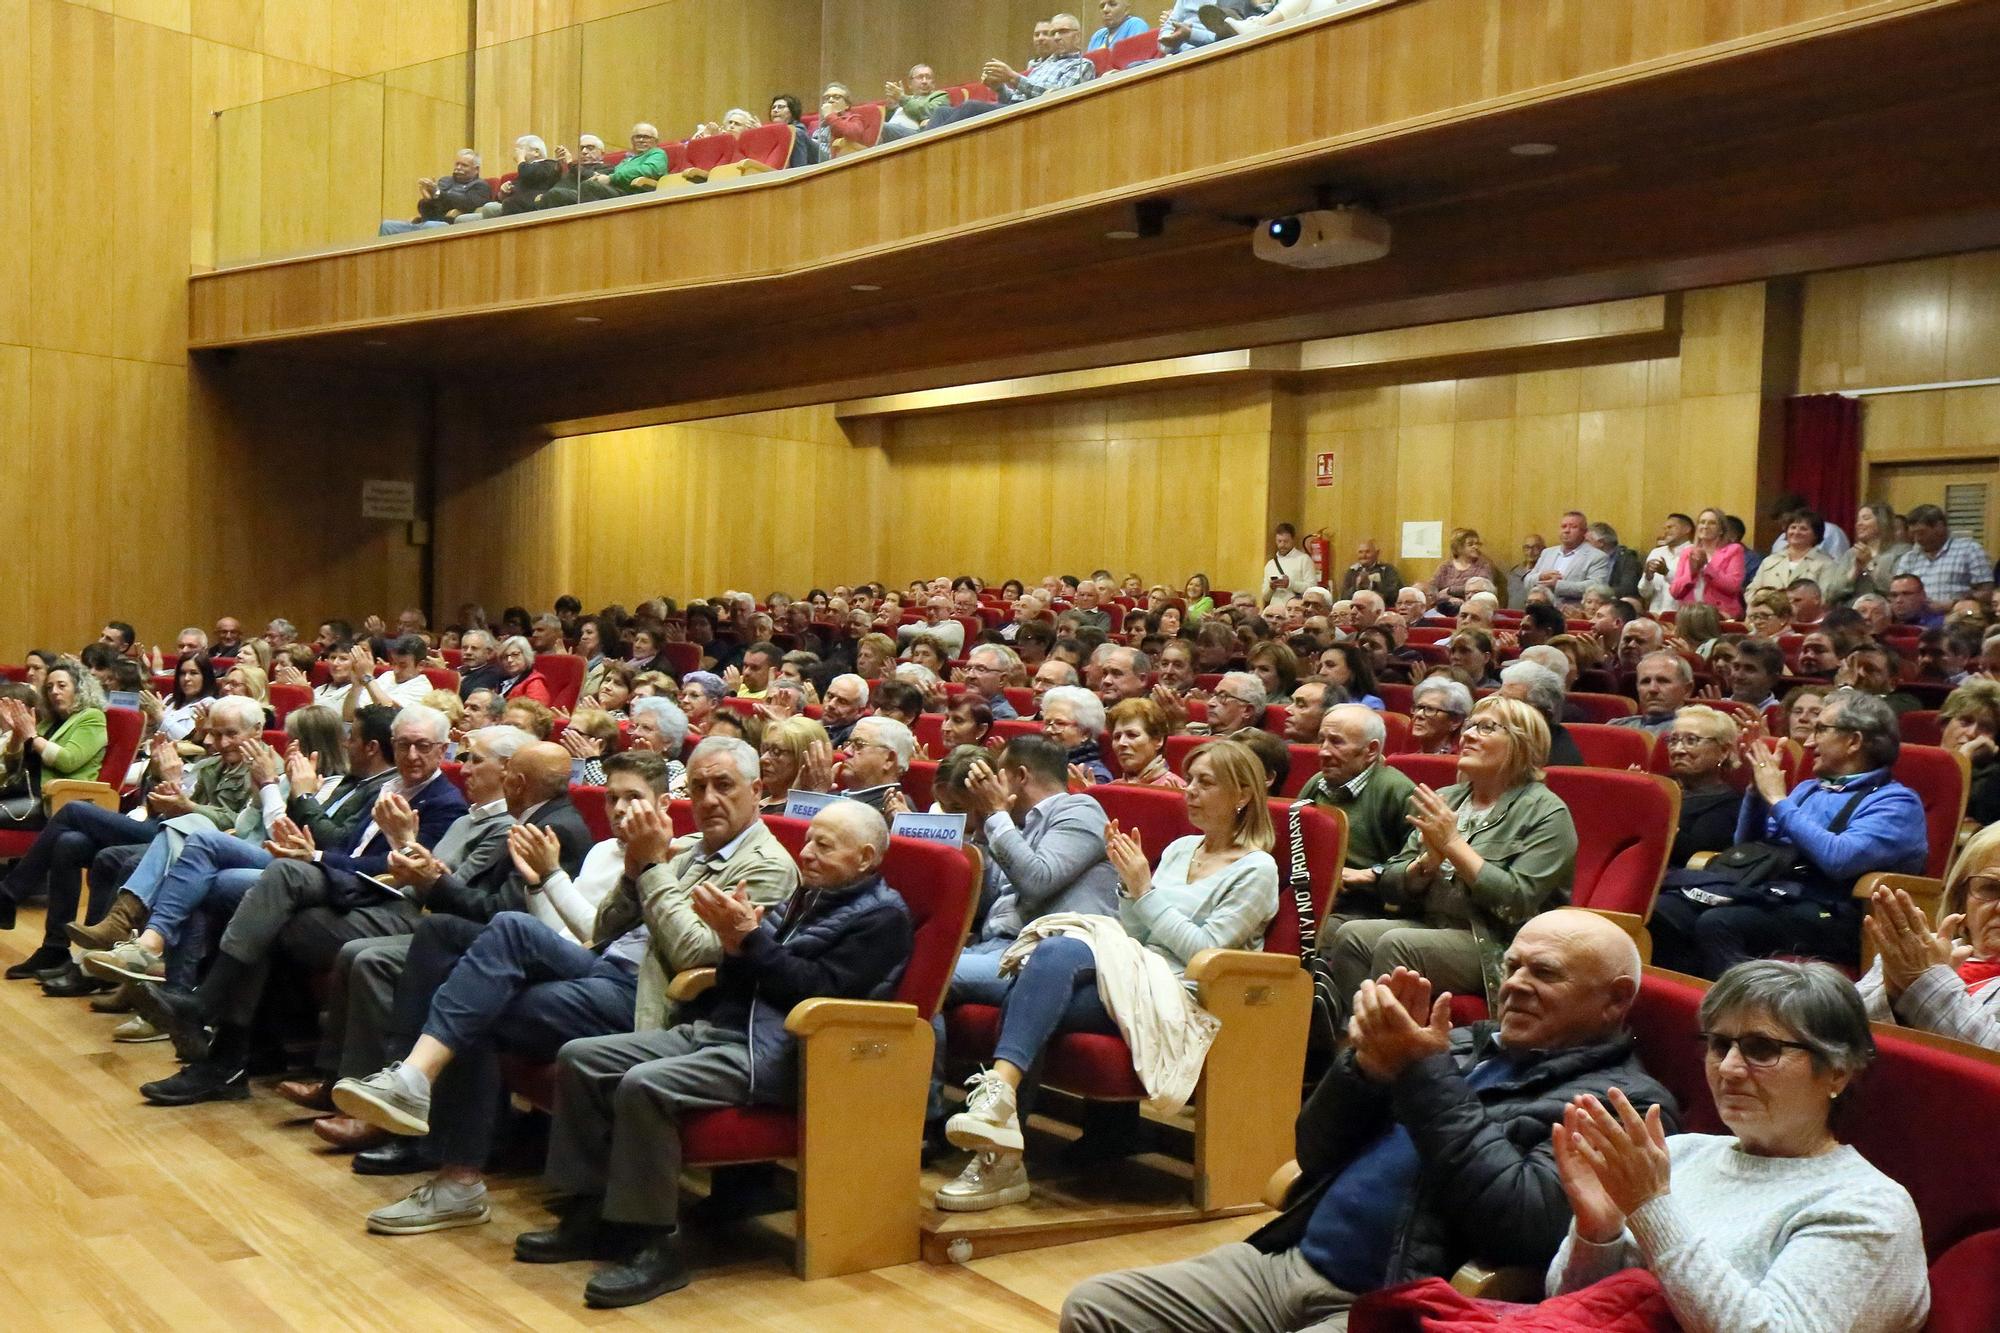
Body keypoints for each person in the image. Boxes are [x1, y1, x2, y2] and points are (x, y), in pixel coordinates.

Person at [1063, 909, 1677, 1333]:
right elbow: (1314, 1150)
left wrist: (1422, 1071)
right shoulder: (1461, 1044)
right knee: (1099, 1309)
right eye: (1512, 966)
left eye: (1544, 973)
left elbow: (1523, 1227)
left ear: (1615, 999)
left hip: (1396, 1302)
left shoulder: (1624, 1105)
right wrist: (1365, 1070)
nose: (1514, 985)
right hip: (1287, 1262)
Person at [522, 799, 905, 1307]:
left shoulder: (883, 917)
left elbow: (813, 992)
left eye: (823, 846)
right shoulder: (811, 895)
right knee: (581, 1057)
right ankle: (591, 1212)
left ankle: (655, 1245)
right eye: (808, 840)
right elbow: (747, 977)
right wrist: (733, 945)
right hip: (725, 1030)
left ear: (865, 858)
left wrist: (751, 941)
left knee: (646, 1085)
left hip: (789, 1051)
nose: (806, 853)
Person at [941, 740, 1278, 1211]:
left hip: (1183, 994)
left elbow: (1206, 952)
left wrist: (1143, 888)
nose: (1191, 792)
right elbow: (1135, 928)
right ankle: (1000, 1134)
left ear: (1243, 795)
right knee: (1046, 964)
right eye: (1191, 780)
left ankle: (998, 1146)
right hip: (1135, 973)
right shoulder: (1182, 850)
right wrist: (1128, 888)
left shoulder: (1257, 868)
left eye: (1206, 783)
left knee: (1039, 981)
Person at [1548, 959, 1928, 1333]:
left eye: (1762, 1049)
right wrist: (1598, 1233)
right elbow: (1564, 1306)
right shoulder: (1679, 1153)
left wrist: (1651, 1208)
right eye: (1719, 1044)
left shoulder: (1869, 1207)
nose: (1728, 1068)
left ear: (1837, 1072)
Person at [130, 704, 472, 1104]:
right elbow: (345, 843)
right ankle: (226, 1057)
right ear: (392, 746)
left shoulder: (446, 803)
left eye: (423, 746)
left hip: (387, 906)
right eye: (405, 745)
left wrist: (318, 858)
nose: (413, 756)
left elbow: (400, 870)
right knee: (256, 901)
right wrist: (311, 849)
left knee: (278, 883)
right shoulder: (387, 786)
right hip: (347, 890)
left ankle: (208, 1016)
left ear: (443, 749)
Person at [1321, 696, 1578, 1022]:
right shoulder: (1447, 799)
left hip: (1497, 943)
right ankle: (1352, 1043)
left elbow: (1519, 902)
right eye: (1469, 726)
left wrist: (1454, 844)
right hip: (1431, 923)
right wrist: (1426, 862)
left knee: (1397, 944)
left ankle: (1388, 1054)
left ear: (1522, 744)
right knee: (1351, 935)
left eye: (1486, 728)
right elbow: (1392, 882)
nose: (1468, 735)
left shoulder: (1546, 811)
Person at [1651, 688, 1926, 977]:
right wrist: (1757, 792)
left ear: (1854, 741)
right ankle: (1685, 1000)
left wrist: (1779, 800)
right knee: (1666, 911)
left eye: (1821, 730)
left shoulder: (1896, 802)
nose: (1808, 742)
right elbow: (1750, 848)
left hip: (1834, 913)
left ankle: (1745, 1012)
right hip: (1776, 894)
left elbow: (1839, 859)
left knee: (1719, 922)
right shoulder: (1809, 789)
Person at [1860, 823, 2000, 1048]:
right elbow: (1836, 1030)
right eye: (1990, 888)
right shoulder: (1913, 949)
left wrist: (1922, 981)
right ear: (1961, 896)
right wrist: (1893, 992)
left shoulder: (1916, 963)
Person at [1296, 705, 1419, 921]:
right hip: (1309, 898)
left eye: (1336, 742)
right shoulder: (1315, 784)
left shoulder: (1397, 790)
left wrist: (1373, 874)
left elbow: (1419, 861)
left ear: (1370, 750)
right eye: (1321, 740)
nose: (1323, 751)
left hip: (1365, 909)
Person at [0, 657, 109, 832]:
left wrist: (32, 736)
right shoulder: (49, 722)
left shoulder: (92, 717)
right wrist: (17, 736)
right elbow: (13, 765)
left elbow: (67, 761)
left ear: (79, 688)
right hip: (23, 791)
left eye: (62, 686)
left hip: (55, 799)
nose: (54, 692)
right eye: (49, 687)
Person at [1661, 705, 1745, 869]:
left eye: (1691, 740)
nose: (1678, 750)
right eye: (1673, 740)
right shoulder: (1659, 786)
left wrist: (1653, 814)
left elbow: (1694, 856)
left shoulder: (1729, 804)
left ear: (1723, 751)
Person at [380, 149, 492, 234]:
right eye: (457, 164)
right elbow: (427, 211)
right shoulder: (445, 181)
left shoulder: (480, 186)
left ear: (476, 169)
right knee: (387, 226)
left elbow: (465, 203)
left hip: (448, 227)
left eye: (464, 165)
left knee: (431, 226)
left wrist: (437, 193)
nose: (458, 168)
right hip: (425, 222)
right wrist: (427, 199)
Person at [1936, 679, 2000, 824]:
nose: (1972, 733)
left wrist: (1962, 761)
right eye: (1965, 721)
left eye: (1986, 727)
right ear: (1944, 723)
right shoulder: (1913, 761)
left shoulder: (1992, 782)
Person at [1498, 660, 1583, 768]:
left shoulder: (1558, 759)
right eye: (1500, 698)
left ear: (1543, 714)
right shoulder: (1498, 733)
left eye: (1513, 704)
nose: (1499, 708)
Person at [1669, 506, 1746, 618]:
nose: (1705, 526)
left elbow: (1733, 586)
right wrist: (1692, 573)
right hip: (1690, 615)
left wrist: (1707, 567)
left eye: (1712, 523)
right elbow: (1675, 592)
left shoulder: (1734, 550)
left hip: (1721, 614)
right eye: (1702, 522)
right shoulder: (1688, 552)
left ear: (1721, 530)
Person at [1749, 510, 1838, 597]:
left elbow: (1827, 597)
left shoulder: (1826, 564)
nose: (1796, 532)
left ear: (1816, 535)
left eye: (1803, 529)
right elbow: (1751, 592)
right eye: (1793, 527)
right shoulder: (1769, 561)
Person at [1529, 511, 1612, 603]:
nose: (1566, 530)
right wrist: (1540, 577)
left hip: (1572, 611)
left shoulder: (1597, 556)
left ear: (1584, 532)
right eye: (1563, 526)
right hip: (1540, 609)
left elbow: (1596, 586)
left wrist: (1558, 585)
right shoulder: (1547, 553)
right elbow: (1527, 580)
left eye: (1573, 527)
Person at [836, 715, 915, 809]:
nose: (846, 751)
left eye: (859, 745)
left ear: (889, 759)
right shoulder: (833, 795)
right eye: (848, 744)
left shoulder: (897, 813)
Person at [1103, 697, 1184, 788]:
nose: (1121, 743)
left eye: (1132, 735)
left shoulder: (1177, 789)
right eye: (1117, 737)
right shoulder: (1111, 788)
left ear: (1158, 740)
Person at [1041, 685, 1112, 784]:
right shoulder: (1036, 762)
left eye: (1060, 723)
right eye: (1047, 722)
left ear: (1085, 733)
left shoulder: (1095, 776)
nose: (1048, 730)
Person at [578, 124, 666, 201]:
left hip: (638, 194)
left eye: (646, 137)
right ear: (632, 141)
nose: (641, 140)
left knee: (589, 187)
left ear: (656, 141)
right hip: (620, 192)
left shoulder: (657, 153)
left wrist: (610, 178)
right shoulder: (626, 160)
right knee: (588, 185)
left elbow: (649, 170)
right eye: (638, 137)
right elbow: (614, 175)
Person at [1636, 513, 1694, 614]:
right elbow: (1644, 593)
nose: (1666, 531)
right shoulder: (1656, 552)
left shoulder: (1695, 553)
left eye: (1671, 527)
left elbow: (1689, 589)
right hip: (1654, 616)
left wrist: (1667, 572)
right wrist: (1648, 578)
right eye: (1665, 528)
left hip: (1681, 617)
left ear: (1686, 529)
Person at [1409, 677, 1471, 755]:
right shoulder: (1403, 761)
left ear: (1455, 721)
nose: (1418, 714)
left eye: (1430, 709)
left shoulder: (1462, 763)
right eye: (1418, 707)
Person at [961, 643, 1022, 718]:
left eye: (981, 669)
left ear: (1001, 680)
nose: (970, 675)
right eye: (968, 668)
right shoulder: (961, 706)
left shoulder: (1004, 716)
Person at [1263, 523, 1319, 605]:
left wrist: (1290, 584)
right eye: (1279, 541)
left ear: (1293, 540)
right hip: (1276, 610)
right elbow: (1265, 597)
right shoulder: (1270, 564)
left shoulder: (1304, 559)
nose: (1282, 545)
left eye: (1286, 541)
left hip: (1296, 609)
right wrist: (1271, 588)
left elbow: (1312, 589)